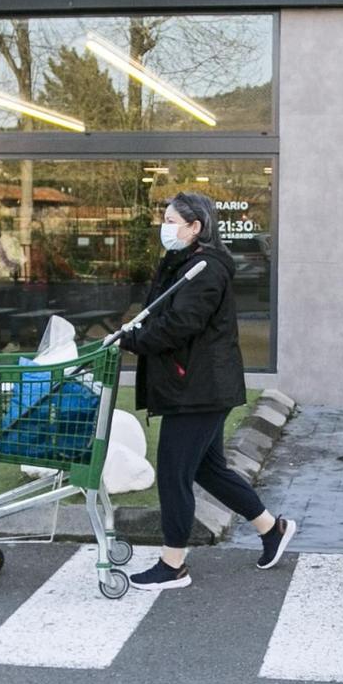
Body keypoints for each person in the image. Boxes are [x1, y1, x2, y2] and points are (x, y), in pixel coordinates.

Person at [117, 191, 295, 590]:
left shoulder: (206, 269)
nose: (165, 228)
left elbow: (181, 324)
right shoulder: (184, 263)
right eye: (164, 220)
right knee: (207, 468)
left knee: (173, 473)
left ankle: (173, 564)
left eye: (171, 221)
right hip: (196, 384)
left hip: (197, 388)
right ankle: (271, 530)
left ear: (195, 227)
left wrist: (133, 340)